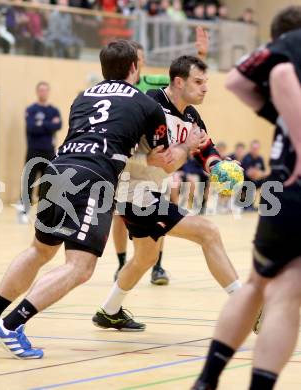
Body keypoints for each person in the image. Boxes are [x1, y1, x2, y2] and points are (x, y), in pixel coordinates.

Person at [0, 39, 174, 359]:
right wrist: (190, 147)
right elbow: (161, 159)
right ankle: (11, 325)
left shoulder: (82, 97)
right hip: (93, 180)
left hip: (56, 170)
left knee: (39, 249)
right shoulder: (147, 104)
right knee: (81, 266)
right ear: (135, 67)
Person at [92, 55, 244, 332]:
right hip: (133, 192)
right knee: (207, 232)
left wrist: (221, 167)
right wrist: (173, 151)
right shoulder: (149, 106)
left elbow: (205, 149)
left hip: (151, 192)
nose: (205, 88)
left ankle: (109, 311)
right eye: (198, 82)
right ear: (178, 82)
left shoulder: (191, 116)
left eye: (206, 82)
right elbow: (142, 155)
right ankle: (246, 306)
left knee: (146, 258)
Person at [192, 6, 301, 390]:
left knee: (258, 285)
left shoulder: (288, 97)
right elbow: (284, 71)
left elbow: (238, 81)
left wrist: (277, 115)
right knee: (288, 298)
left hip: (284, 188)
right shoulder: (294, 48)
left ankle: (206, 380)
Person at [113, 26, 209, 285]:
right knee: (120, 218)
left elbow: (181, 78)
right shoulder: (123, 92)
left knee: (169, 193)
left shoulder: (152, 84)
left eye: (143, 57)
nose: (140, 62)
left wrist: (199, 54)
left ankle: (156, 266)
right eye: (137, 58)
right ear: (130, 63)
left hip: (160, 165)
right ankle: (122, 263)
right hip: (134, 170)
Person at [16, 81, 62, 224]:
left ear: (48, 92)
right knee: (29, 181)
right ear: (37, 92)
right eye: (41, 90)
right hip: (33, 150)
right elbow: (31, 128)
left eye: (45, 90)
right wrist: (49, 125)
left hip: (49, 151)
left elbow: (58, 125)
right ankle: (23, 211)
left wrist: (41, 124)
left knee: (46, 183)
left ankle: (43, 215)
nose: (43, 93)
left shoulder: (54, 110)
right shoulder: (31, 109)